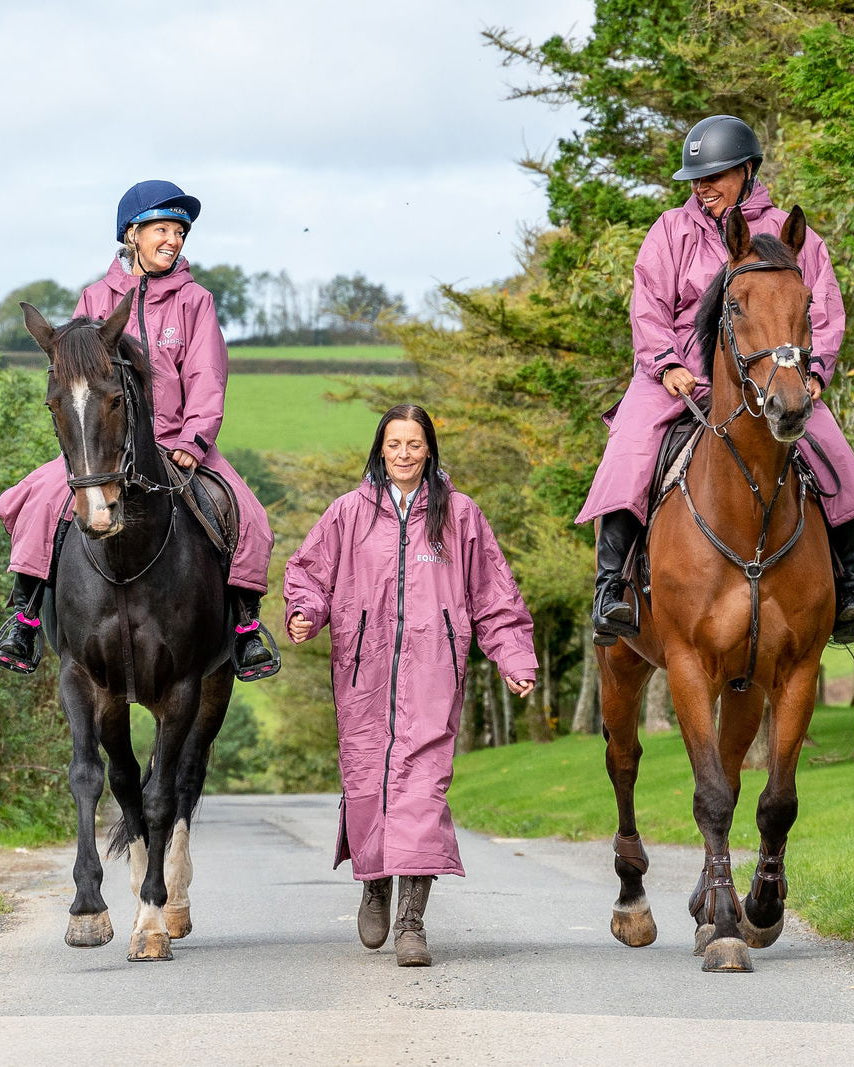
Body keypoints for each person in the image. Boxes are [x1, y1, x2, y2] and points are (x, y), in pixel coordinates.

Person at [576, 115, 854, 645]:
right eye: (697, 179)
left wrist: (816, 371)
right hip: (674, 375)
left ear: (747, 171)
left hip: (772, 376)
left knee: (837, 453)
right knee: (630, 448)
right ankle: (612, 588)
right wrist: (666, 362)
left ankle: (851, 584)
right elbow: (649, 306)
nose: (703, 188)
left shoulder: (796, 238)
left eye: (716, 175)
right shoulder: (670, 231)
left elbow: (823, 313)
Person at [284, 404, 537, 966]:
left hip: (433, 672)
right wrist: (306, 611)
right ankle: (374, 884)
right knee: (370, 782)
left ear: (429, 451)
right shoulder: (348, 513)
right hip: (363, 673)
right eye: (393, 444)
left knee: (424, 790)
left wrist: (513, 656)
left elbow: (494, 595)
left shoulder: (460, 516)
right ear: (380, 450)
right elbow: (308, 572)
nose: (403, 454)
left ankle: (413, 924)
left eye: (414, 444)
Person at [0, 179, 279, 679]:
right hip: (105, 447)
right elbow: (75, 378)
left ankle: (245, 627)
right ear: (131, 234)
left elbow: (207, 375)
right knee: (34, 499)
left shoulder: (196, 301)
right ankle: (22, 615)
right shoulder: (94, 297)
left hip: (178, 444)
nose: (172, 240)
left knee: (249, 514)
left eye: (179, 232)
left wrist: (195, 440)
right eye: (162, 229)